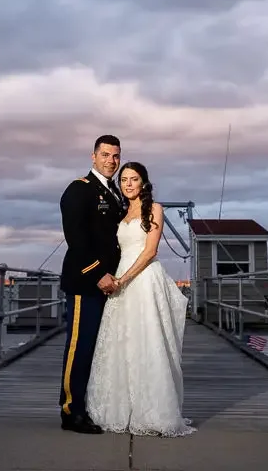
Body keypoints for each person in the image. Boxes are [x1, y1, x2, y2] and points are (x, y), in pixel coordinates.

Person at [86, 161, 195, 437]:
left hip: (142, 278)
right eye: (124, 180)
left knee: (148, 340)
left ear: (144, 182)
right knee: (121, 341)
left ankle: (153, 410)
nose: (128, 184)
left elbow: (149, 252)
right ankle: (120, 407)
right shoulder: (121, 213)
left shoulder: (154, 209)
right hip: (121, 276)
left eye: (134, 179)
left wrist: (123, 280)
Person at [57, 134, 126, 434]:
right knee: (80, 347)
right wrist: (97, 273)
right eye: (106, 155)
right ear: (93, 156)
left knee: (99, 349)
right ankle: (71, 410)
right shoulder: (79, 190)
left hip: (111, 285)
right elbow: (77, 239)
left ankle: (89, 406)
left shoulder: (114, 193)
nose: (111, 161)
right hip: (86, 283)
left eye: (116, 156)